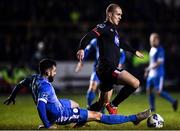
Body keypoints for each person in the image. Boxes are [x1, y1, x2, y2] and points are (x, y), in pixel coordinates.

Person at [4, 59, 151, 129]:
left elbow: (20, 84)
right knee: (97, 115)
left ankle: (78, 122)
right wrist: (47, 125)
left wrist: (12, 96)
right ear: (48, 71)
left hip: (56, 105)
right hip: (59, 113)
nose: (55, 72)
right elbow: (40, 107)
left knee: (75, 103)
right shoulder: (45, 88)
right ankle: (134, 118)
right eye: (54, 70)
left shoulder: (33, 79)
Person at [76, 3, 144, 114]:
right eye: (118, 14)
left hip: (107, 69)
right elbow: (89, 35)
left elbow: (120, 43)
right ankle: (113, 105)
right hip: (107, 68)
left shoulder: (113, 30)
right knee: (135, 83)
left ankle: (80, 118)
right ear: (109, 14)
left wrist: (134, 51)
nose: (120, 17)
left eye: (121, 15)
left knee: (100, 104)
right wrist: (81, 48)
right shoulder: (104, 27)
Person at [75, 38, 126, 114]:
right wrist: (81, 62)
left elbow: (122, 53)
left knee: (105, 95)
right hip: (98, 68)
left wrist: (120, 63)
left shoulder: (113, 40)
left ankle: (102, 111)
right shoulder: (95, 41)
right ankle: (89, 108)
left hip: (110, 69)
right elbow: (87, 51)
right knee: (92, 87)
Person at [144, 33, 178, 112]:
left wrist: (148, 68)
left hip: (158, 74)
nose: (152, 42)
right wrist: (148, 71)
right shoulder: (152, 49)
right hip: (151, 74)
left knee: (158, 91)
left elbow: (159, 62)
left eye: (153, 40)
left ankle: (173, 101)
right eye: (151, 40)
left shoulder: (160, 49)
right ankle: (152, 108)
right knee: (148, 89)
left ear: (157, 40)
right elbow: (151, 62)